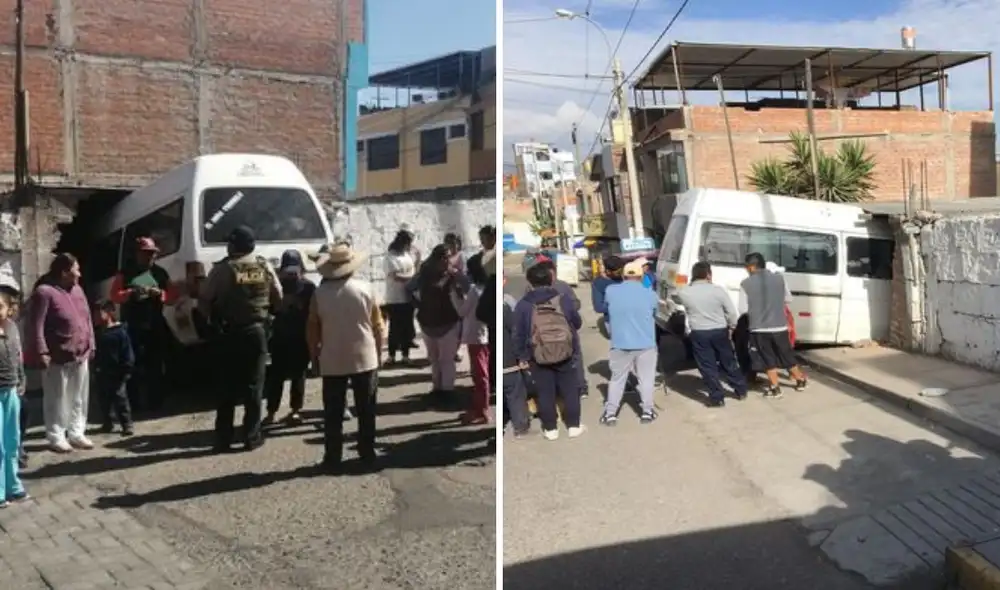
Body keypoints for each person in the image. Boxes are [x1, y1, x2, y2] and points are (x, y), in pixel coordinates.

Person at [198, 226, 282, 452]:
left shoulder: (223, 269)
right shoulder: (265, 266)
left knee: (226, 387)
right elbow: (278, 296)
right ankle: (252, 437)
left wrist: (209, 322)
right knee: (254, 386)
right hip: (257, 332)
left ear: (234, 246)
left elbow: (204, 299)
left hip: (228, 333)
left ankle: (223, 439)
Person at [306, 243, 382, 472]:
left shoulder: (319, 294)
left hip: (332, 357)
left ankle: (333, 456)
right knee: (366, 408)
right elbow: (378, 325)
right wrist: (379, 352)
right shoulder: (366, 289)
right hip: (365, 356)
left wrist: (314, 355)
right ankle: (367, 452)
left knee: (333, 412)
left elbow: (312, 328)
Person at [24, 253, 95, 453]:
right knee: (57, 398)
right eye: (76, 269)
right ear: (64, 272)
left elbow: (87, 319)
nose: (79, 274)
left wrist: (92, 343)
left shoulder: (78, 290)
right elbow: (36, 325)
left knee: (79, 397)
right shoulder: (44, 292)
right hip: (58, 356)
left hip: (81, 354)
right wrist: (41, 351)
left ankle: (77, 432)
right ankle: (56, 435)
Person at [513, 263, 583, 440]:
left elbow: (519, 333)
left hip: (538, 354)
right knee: (570, 389)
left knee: (545, 392)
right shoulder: (563, 299)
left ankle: (551, 429)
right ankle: (574, 426)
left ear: (529, 282)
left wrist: (522, 356)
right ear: (552, 279)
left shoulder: (524, 305)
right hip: (565, 351)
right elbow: (577, 322)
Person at [108, 237, 176, 412]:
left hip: (155, 324)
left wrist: (159, 293)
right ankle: (134, 404)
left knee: (156, 364)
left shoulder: (160, 273)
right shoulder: (125, 273)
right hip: (133, 325)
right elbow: (114, 295)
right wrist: (130, 293)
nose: (149, 257)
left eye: (152, 254)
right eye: (146, 253)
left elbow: (172, 297)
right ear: (137, 254)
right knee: (132, 365)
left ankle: (156, 402)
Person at [596, 259, 659, 425]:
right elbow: (655, 312)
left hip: (620, 343)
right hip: (646, 343)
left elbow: (605, 306)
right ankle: (647, 411)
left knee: (617, 379)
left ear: (623, 276)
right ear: (641, 275)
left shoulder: (611, 291)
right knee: (646, 379)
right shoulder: (650, 294)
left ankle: (610, 413)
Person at [676, 262, 748, 407]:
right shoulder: (718, 291)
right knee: (728, 361)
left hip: (699, 333)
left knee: (707, 366)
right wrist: (732, 327)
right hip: (720, 331)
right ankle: (740, 389)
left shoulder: (684, 293)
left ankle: (717, 397)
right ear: (708, 274)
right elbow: (732, 313)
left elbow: (675, 300)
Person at [739, 252, 808, 399]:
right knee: (786, 355)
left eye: (746, 267)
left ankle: (775, 388)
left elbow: (743, 309)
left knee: (766, 358)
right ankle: (800, 380)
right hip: (779, 325)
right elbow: (788, 298)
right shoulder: (779, 279)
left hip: (758, 328)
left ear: (752, 267)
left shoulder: (745, 284)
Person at [263, 250, 315, 426]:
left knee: (298, 376)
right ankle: (271, 412)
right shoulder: (276, 285)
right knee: (276, 377)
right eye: (289, 269)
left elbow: (313, 313)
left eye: (295, 269)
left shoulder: (308, 287)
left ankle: (295, 410)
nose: (292, 274)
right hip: (280, 337)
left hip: (299, 337)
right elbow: (269, 309)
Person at [415, 245, 466, 402]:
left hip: (445, 322)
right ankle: (439, 388)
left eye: (448, 257)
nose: (447, 260)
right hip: (431, 323)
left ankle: (446, 390)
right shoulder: (427, 274)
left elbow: (464, 291)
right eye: (444, 257)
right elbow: (410, 290)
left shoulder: (451, 275)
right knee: (436, 359)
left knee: (445, 359)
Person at [0, 290, 29, 506]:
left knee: (12, 441)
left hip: (11, 390)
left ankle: (13, 485)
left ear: (8, 308)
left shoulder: (12, 328)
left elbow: (18, 357)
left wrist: (21, 380)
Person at [92, 300, 135, 435]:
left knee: (120, 399)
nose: (97, 316)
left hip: (117, 372)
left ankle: (126, 424)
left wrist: (127, 368)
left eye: (100, 312)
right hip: (102, 371)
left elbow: (127, 352)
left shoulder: (120, 332)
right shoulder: (97, 333)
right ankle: (108, 422)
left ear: (109, 312)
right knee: (103, 399)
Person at [458, 257, 491, 425]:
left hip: (475, 335)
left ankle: (482, 410)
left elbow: (462, 311)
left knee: (479, 375)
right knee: (481, 373)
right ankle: (479, 407)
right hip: (483, 334)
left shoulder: (474, 290)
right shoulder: (486, 288)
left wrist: (456, 297)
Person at [501, 271, 530, 438]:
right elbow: (516, 333)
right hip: (509, 360)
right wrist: (522, 356)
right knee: (515, 394)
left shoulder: (482, 303)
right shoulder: (507, 305)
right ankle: (520, 426)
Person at [383, 230, 417, 365]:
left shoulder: (406, 255)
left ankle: (405, 354)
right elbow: (395, 276)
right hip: (395, 298)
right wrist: (412, 277)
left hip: (407, 297)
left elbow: (413, 269)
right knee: (394, 327)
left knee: (407, 327)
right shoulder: (390, 257)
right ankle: (391, 355)